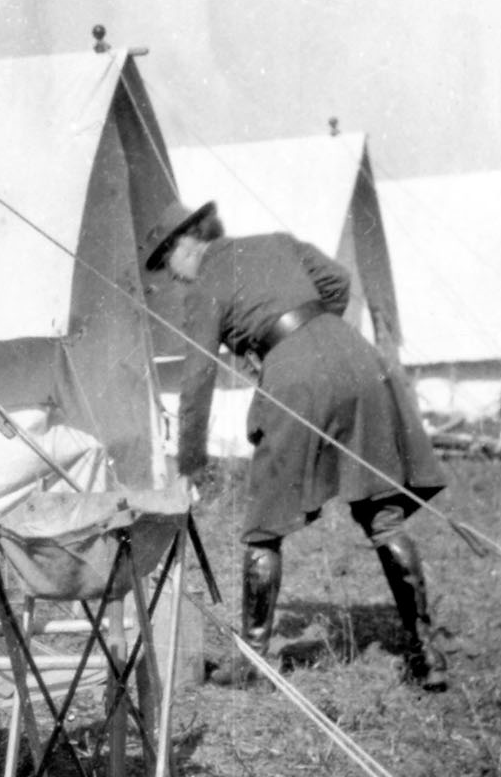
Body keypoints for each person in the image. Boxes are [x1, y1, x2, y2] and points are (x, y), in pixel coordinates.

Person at [143, 198, 448, 689]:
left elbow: (197, 379)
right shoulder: (276, 242)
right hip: (359, 359)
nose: (172, 277)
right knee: (383, 514)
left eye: (167, 261)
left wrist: (190, 463)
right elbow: (337, 283)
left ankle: (255, 664)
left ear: (186, 243)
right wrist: (307, 327)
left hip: (297, 376)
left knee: (264, 527)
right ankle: (427, 654)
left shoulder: (203, 286)